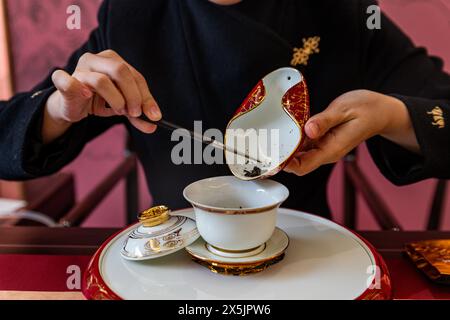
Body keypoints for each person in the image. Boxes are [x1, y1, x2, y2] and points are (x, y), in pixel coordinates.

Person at [0, 0, 449, 219]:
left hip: (305, 245)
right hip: (174, 258)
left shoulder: (342, 11)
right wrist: (60, 110)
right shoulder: (133, 17)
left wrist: (390, 115)